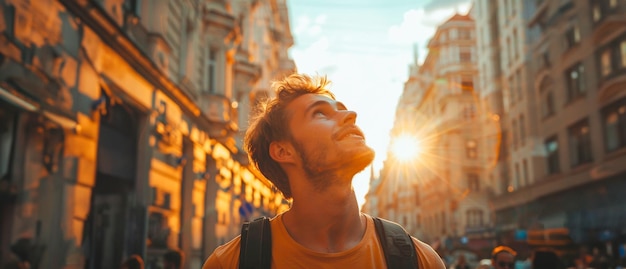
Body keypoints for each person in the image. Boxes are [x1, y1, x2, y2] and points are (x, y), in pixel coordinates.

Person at [202, 73, 445, 268]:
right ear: (284, 151)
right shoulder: (231, 262)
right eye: (320, 113)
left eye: (342, 109)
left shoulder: (420, 259)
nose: (350, 115)